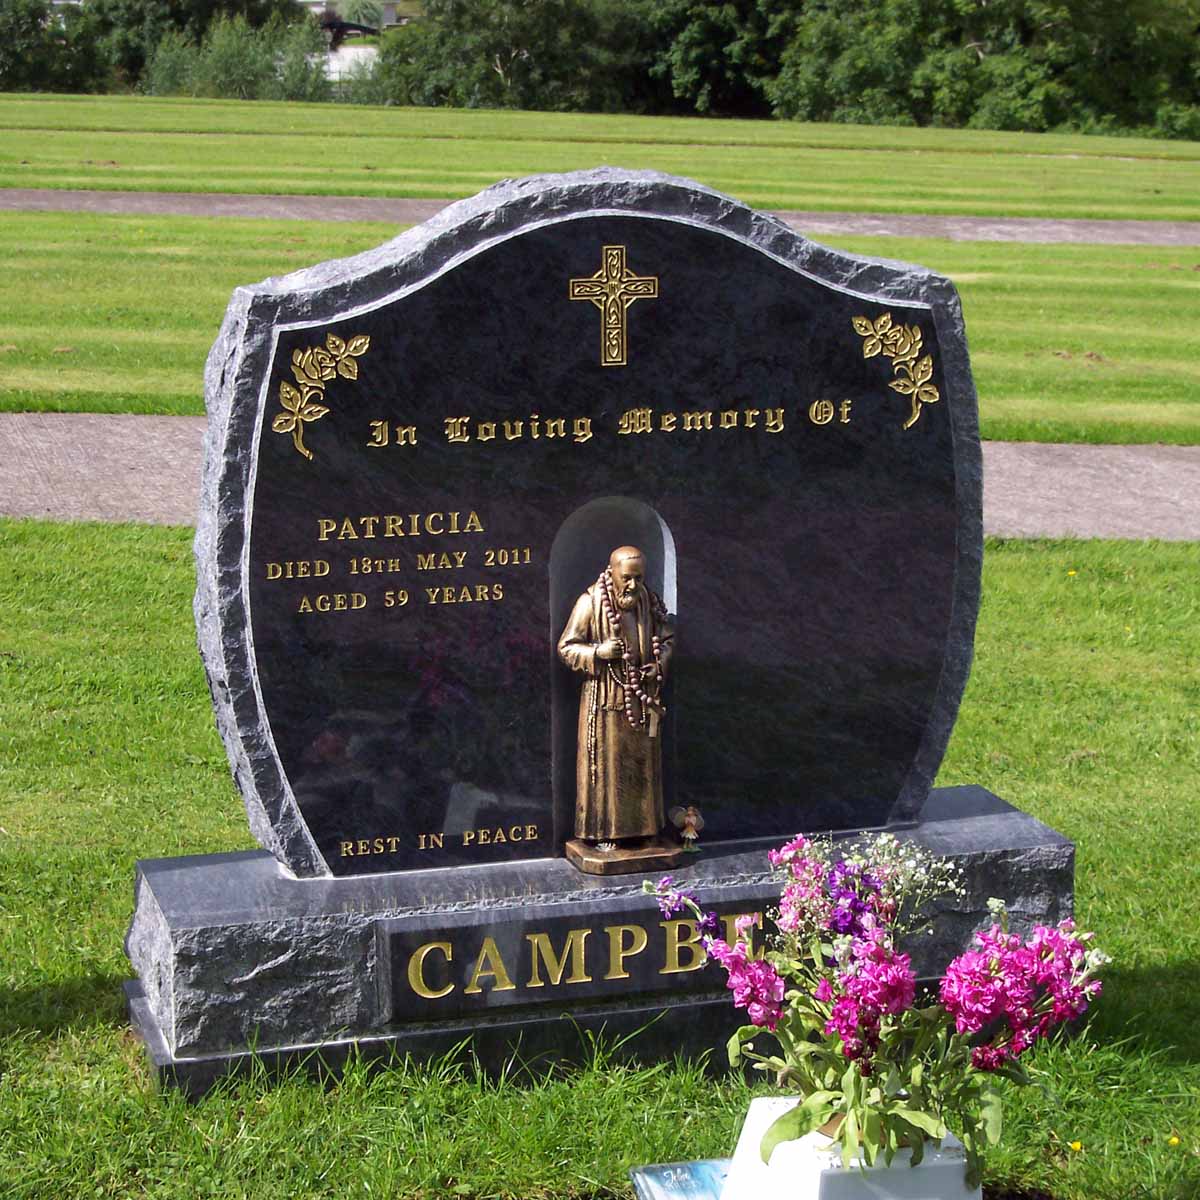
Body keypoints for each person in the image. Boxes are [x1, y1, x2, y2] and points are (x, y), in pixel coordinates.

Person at [557, 545, 674, 848]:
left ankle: (646, 830)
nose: (633, 585)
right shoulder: (590, 602)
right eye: (627, 578)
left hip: (642, 701)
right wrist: (599, 652)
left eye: (639, 578)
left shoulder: (649, 602)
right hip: (604, 702)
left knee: (642, 768)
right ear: (612, 573)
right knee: (608, 771)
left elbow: (666, 638)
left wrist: (657, 664)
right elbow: (567, 647)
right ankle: (605, 833)